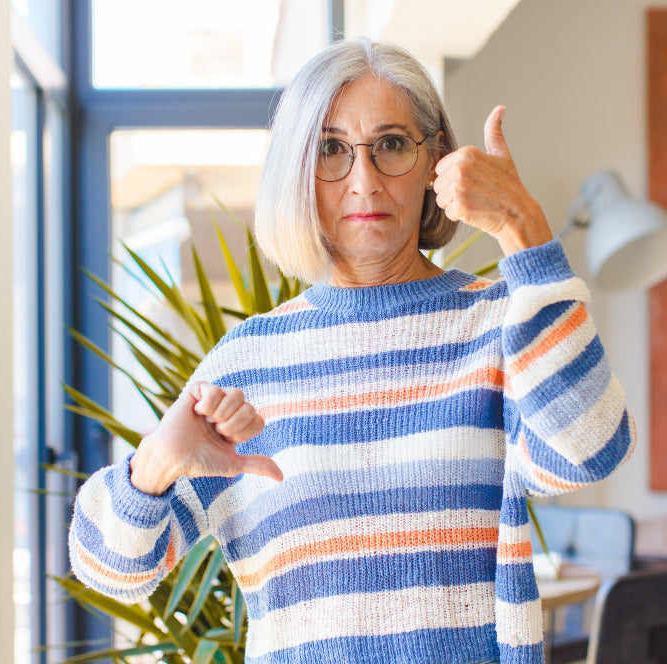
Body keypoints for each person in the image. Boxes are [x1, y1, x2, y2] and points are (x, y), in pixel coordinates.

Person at [67, 37, 635, 664]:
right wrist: (153, 470)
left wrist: (522, 227)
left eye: (391, 145)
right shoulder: (250, 361)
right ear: (297, 170)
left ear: (434, 161)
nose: (363, 181)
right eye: (331, 150)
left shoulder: (496, 322)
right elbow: (111, 570)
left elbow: (590, 450)